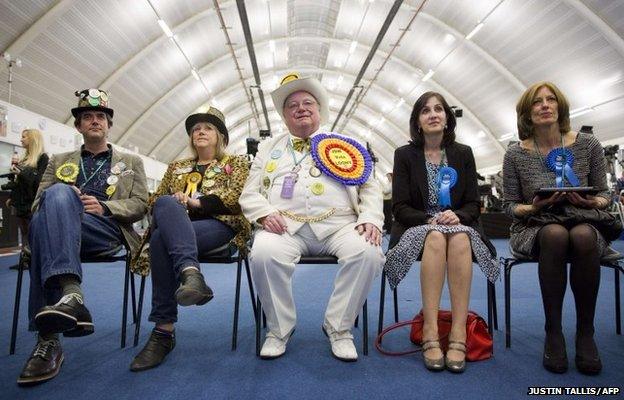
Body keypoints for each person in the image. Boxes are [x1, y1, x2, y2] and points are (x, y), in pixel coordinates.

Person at [239, 73, 385, 362]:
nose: (301, 108)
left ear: (320, 110)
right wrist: (264, 213)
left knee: (367, 252)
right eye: (292, 105)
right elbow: (249, 193)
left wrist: (370, 217)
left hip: (340, 224)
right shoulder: (268, 149)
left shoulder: (345, 143)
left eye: (308, 103)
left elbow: (370, 186)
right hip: (285, 226)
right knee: (263, 253)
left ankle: (339, 329)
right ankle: (279, 330)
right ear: (284, 116)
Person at [17, 89, 148, 385]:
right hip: (58, 227)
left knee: (42, 230)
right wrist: (65, 198)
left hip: (104, 229)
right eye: (87, 117)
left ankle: (48, 338)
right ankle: (70, 294)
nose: (94, 121)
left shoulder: (131, 162)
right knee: (55, 200)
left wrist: (105, 206)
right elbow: (39, 202)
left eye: (100, 116)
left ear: (109, 125)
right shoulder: (58, 160)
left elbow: (140, 204)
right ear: (78, 126)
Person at [503, 81, 616, 375]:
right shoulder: (515, 154)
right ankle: (553, 332)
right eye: (537, 102)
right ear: (527, 113)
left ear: (560, 107)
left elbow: (606, 196)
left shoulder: (588, 144)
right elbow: (510, 205)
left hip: (586, 222)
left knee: (579, 235)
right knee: (555, 234)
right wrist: (535, 207)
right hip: (535, 225)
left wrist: (590, 203)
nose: (544, 105)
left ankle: (585, 333)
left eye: (550, 100)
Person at [384, 92, 498, 373]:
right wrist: (430, 219)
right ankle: (431, 332)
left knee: (459, 237)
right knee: (436, 236)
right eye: (425, 111)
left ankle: (459, 333)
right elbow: (399, 207)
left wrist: (457, 216)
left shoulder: (463, 153)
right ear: (417, 121)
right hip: (418, 226)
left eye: (438, 109)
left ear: (447, 118)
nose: (433, 114)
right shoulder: (404, 155)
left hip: (459, 226)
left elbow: (473, 202)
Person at [129, 108, 251, 371]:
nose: (200, 132)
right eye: (196, 129)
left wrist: (193, 202)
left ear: (220, 136)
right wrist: (174, 201)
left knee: (162, 238)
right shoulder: (177, 167)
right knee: (164, 209)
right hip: (178, 227)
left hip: (218, 226)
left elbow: (235, 199)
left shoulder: (237, 163)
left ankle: (163, 332)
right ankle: (191, 273)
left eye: (207, 128)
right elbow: (154, 200)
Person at [2, 129, 49, 267]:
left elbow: (40, 181)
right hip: (20, 201)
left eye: (24, 137)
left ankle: (36, 260)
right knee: (24, 232)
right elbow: (18, 181)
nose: (21, 140)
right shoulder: (23, 159)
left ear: (33, 139)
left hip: (33, 201)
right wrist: (11, 197)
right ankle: (25, 260)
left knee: (33, 231)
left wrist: (22, 173)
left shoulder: (43, 158)